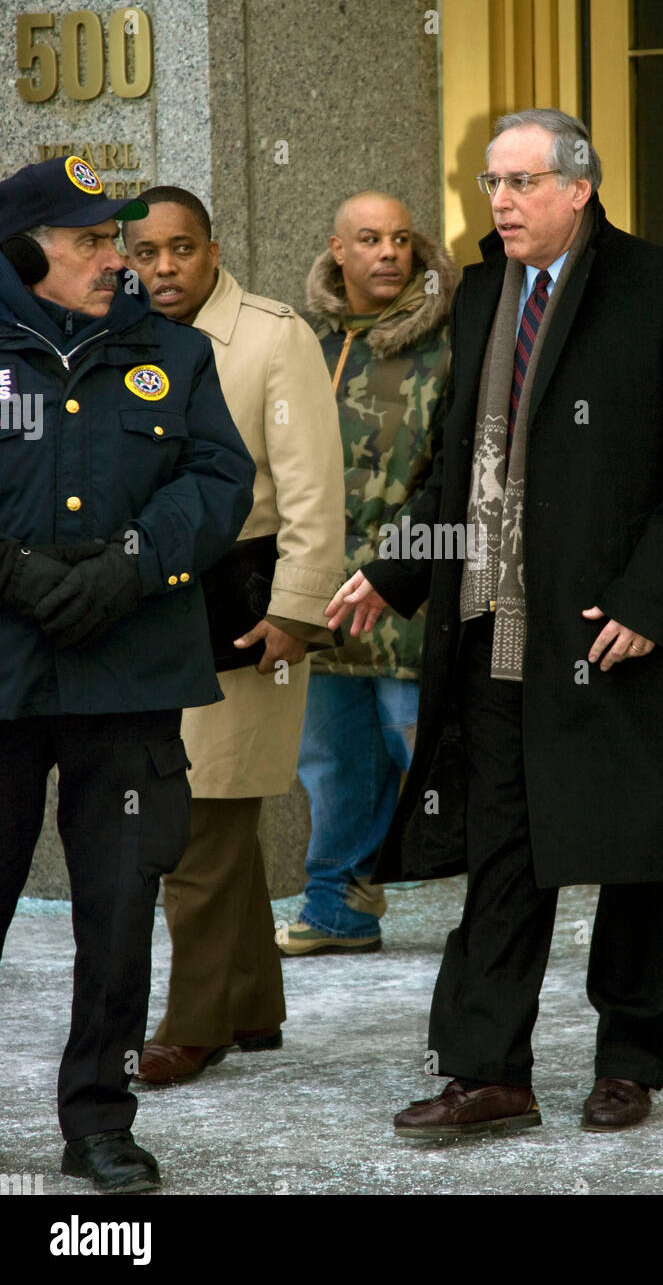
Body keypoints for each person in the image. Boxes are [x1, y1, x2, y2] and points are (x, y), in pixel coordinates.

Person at [326, 110, 663, 1137]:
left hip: (615, 631)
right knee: (504, 852)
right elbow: (457, 469)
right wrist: (392, 570)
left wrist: (649, 602)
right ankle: (488, 1072)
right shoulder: (479, 295)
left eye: (518, 182)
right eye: (489, 182)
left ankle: (627, 1063)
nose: (497, 202)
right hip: (493, 631)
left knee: (635, 855)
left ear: (577, 187)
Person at [0, 157, 255, 1191]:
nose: (120, 259)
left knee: (117, 910)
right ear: (26, 253)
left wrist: (133, 565)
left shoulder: (175, 355)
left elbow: (220, 479)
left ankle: (100, 1119)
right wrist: (12, 572)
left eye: (123, 239)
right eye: (93, 241)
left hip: (131, 678)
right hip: (5, 679)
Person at [120, 186, 345, 1085]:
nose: (164, 268)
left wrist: (298, 607)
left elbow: (312, 484)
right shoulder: (117, 331)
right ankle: (251, 1002)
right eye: (146, 252)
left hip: (243, 609)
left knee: (200, 817)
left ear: (214, 250)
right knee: (216, 810)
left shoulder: (272, 334)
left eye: (182, 249)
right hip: (148, 607)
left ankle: (195, 1022)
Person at [276, 192, 454, 955]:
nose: (389, 253)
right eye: (370, 239)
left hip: (409, 590)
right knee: (333, 761)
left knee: (428, 754)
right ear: (336, 250)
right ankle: (337, 908)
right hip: (322, 589)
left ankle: (504, 910)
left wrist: (406, 565)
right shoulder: (305, 344)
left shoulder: (452, 340)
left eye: (402, 239)